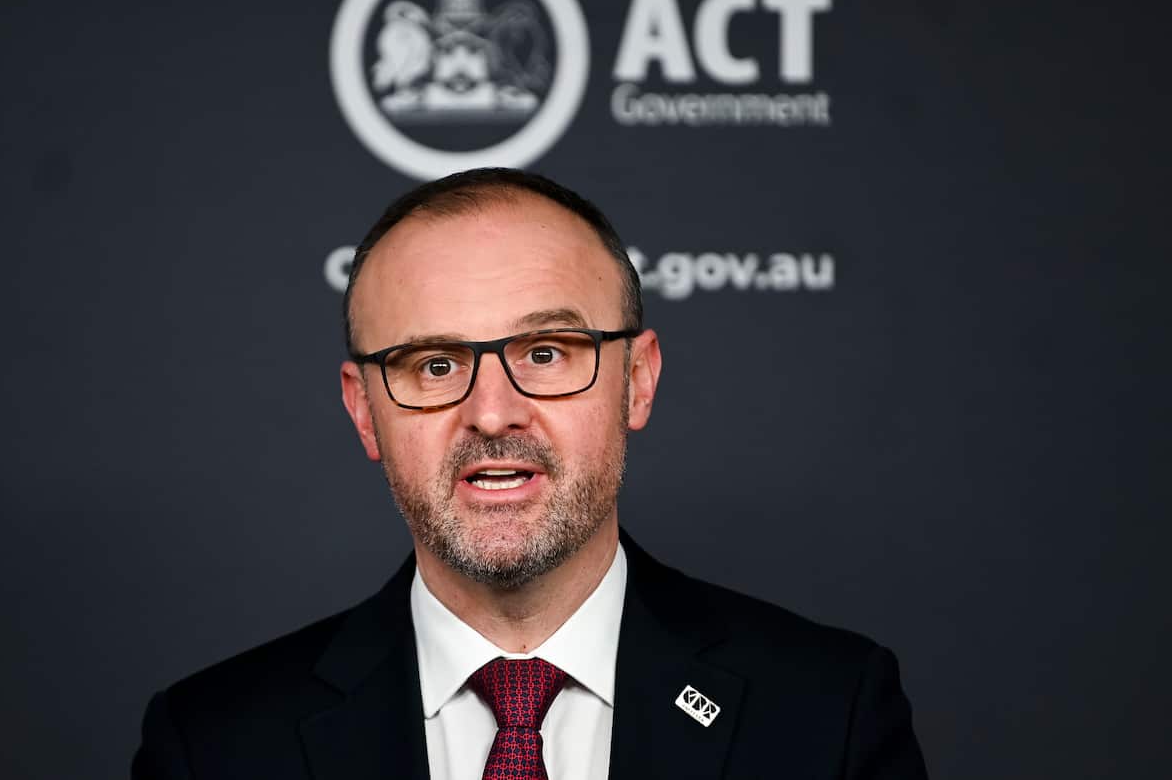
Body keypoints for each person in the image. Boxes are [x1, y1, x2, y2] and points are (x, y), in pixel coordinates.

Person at [132, 168, 929, 779]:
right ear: (363, 409)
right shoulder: (214, 744)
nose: (492, 412)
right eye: (434, 363)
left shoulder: (830, 713)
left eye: (546, 354)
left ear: (638, 380)